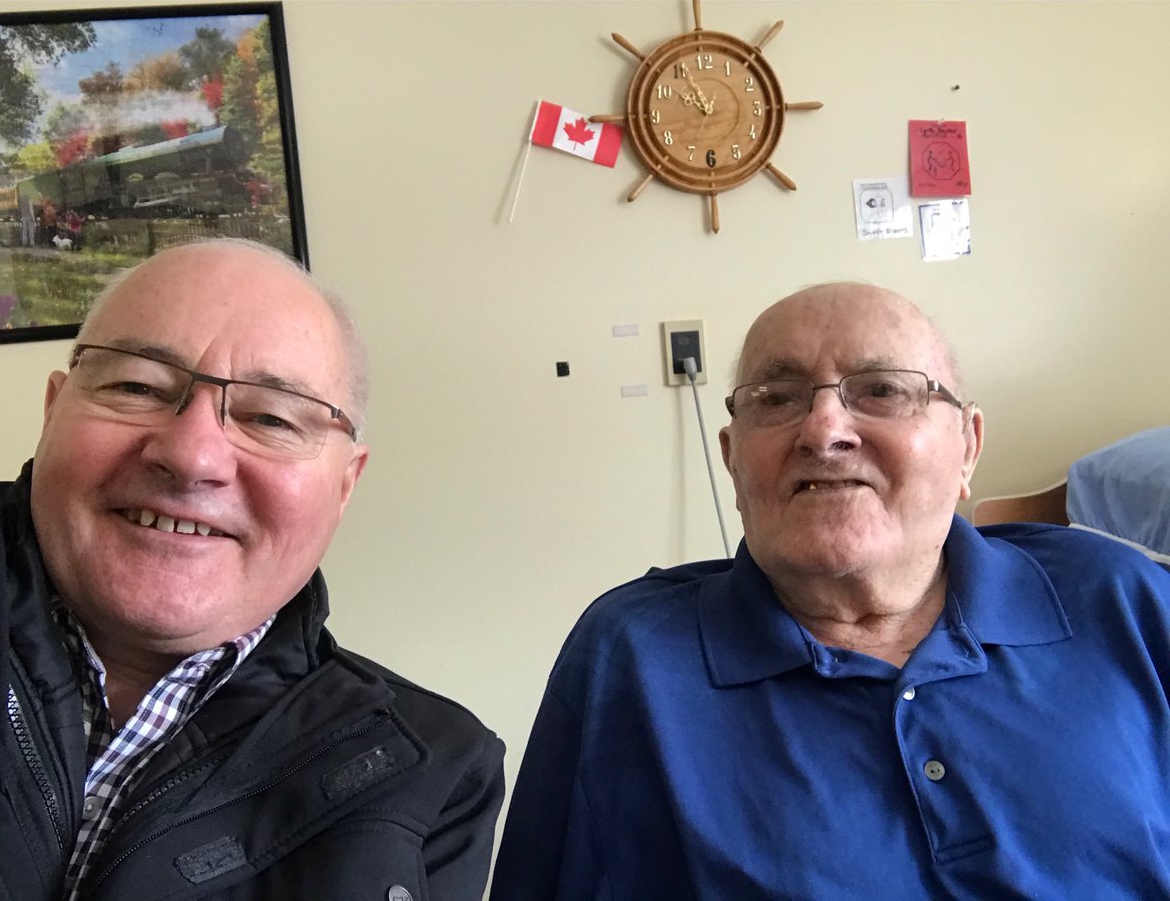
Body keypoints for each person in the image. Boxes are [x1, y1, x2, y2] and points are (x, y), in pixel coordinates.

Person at [491, 282, 1170, 899]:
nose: (823, 430)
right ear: (732, 459)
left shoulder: (1116, 598)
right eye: (777, 398)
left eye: (882, 390)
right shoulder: (633, 657)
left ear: (967, 444)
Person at [0, 239, 504, 900]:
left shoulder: (438, 774)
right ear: (53, 411)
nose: (192, 456)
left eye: (272, 418)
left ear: (345, 484)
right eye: (137, 387)